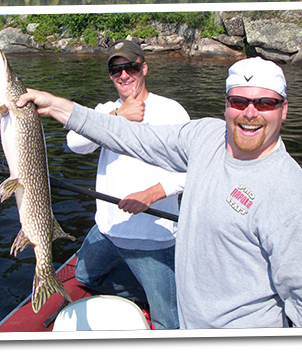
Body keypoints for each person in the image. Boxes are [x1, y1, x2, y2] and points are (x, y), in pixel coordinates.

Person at [17, 56, 302, 328]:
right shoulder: (206, 136)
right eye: (239, 101)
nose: (249, 113)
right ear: (227, 105)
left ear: (283, 109)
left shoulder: (294, 199)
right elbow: (129, 136)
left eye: (264, 102)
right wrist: (56, 105)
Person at [65, 40, 190, 330]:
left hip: (152, 237)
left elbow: (192, 169)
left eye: (130, 67)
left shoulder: (171, 111)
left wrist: (151, 195)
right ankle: (149, 293)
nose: (124, 75)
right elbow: (74, 143)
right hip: (107, 230)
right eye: (116, 70)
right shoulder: (105, 111)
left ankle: (168, 296)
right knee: (85, 278)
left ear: (143, 67)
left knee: (167, 322)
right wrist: (118, 117)